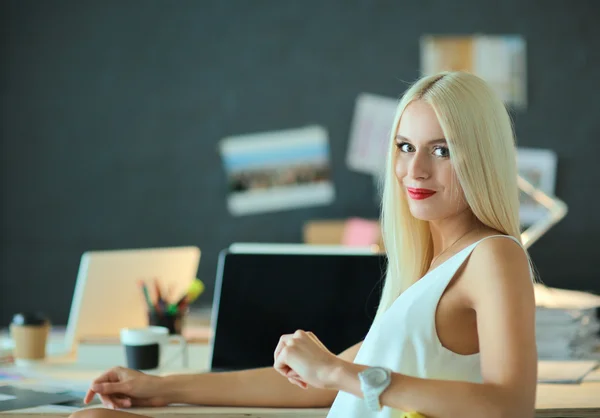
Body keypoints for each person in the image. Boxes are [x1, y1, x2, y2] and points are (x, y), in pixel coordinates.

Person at [71, 70, 538, 418]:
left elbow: (510, 405)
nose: (414, 171)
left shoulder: (493, 255)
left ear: (480, 157)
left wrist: (338, 373)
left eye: (442, 150)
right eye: (404, 146)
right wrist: (162, 387)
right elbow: (319, 386)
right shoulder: (431, 265)